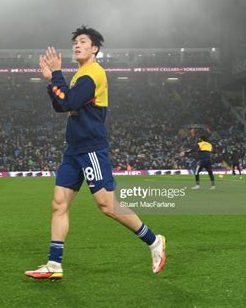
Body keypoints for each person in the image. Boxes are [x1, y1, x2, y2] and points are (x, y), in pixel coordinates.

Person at [24, 26, 166, 280]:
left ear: (94, 49)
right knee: (59, 204)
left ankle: (154, 241)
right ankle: (54, 265)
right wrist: (51, 81)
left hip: (90, 148)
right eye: (75, 42)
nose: (77, 46)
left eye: (82, 41)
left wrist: (56, 73)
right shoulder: (80, 75)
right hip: (74, 150)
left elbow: (66, 102)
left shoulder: (93, 73)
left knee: (107, 206)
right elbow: (61, 102)